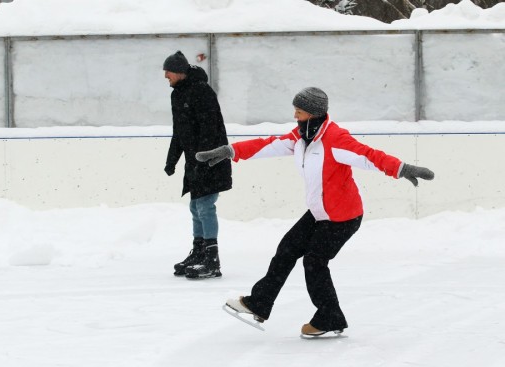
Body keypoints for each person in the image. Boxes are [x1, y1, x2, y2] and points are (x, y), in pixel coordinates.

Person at [196, 87, 434, 336]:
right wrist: (231, 151)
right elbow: (268, 145)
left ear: (313, 113)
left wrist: (401, 168)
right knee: (286, 250)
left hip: (343, 217)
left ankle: (328, 317)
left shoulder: (335, 139)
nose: (295, 116)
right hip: (319, 212)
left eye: (299, 111)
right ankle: (259, 303)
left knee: (314, 262)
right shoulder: (300, 137)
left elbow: (368, 156)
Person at [163, 51, 232, 279]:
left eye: (169, 71)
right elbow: (179, 132)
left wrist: (205, 157)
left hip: (209, 159)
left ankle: (212, 259)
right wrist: (172, 160)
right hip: (194, 161)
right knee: (195, 207)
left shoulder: (201, 91)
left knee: (205, 206)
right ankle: (200, 251)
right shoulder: (178, 94)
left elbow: (212, 128)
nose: (165, 76)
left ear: (180, 72)